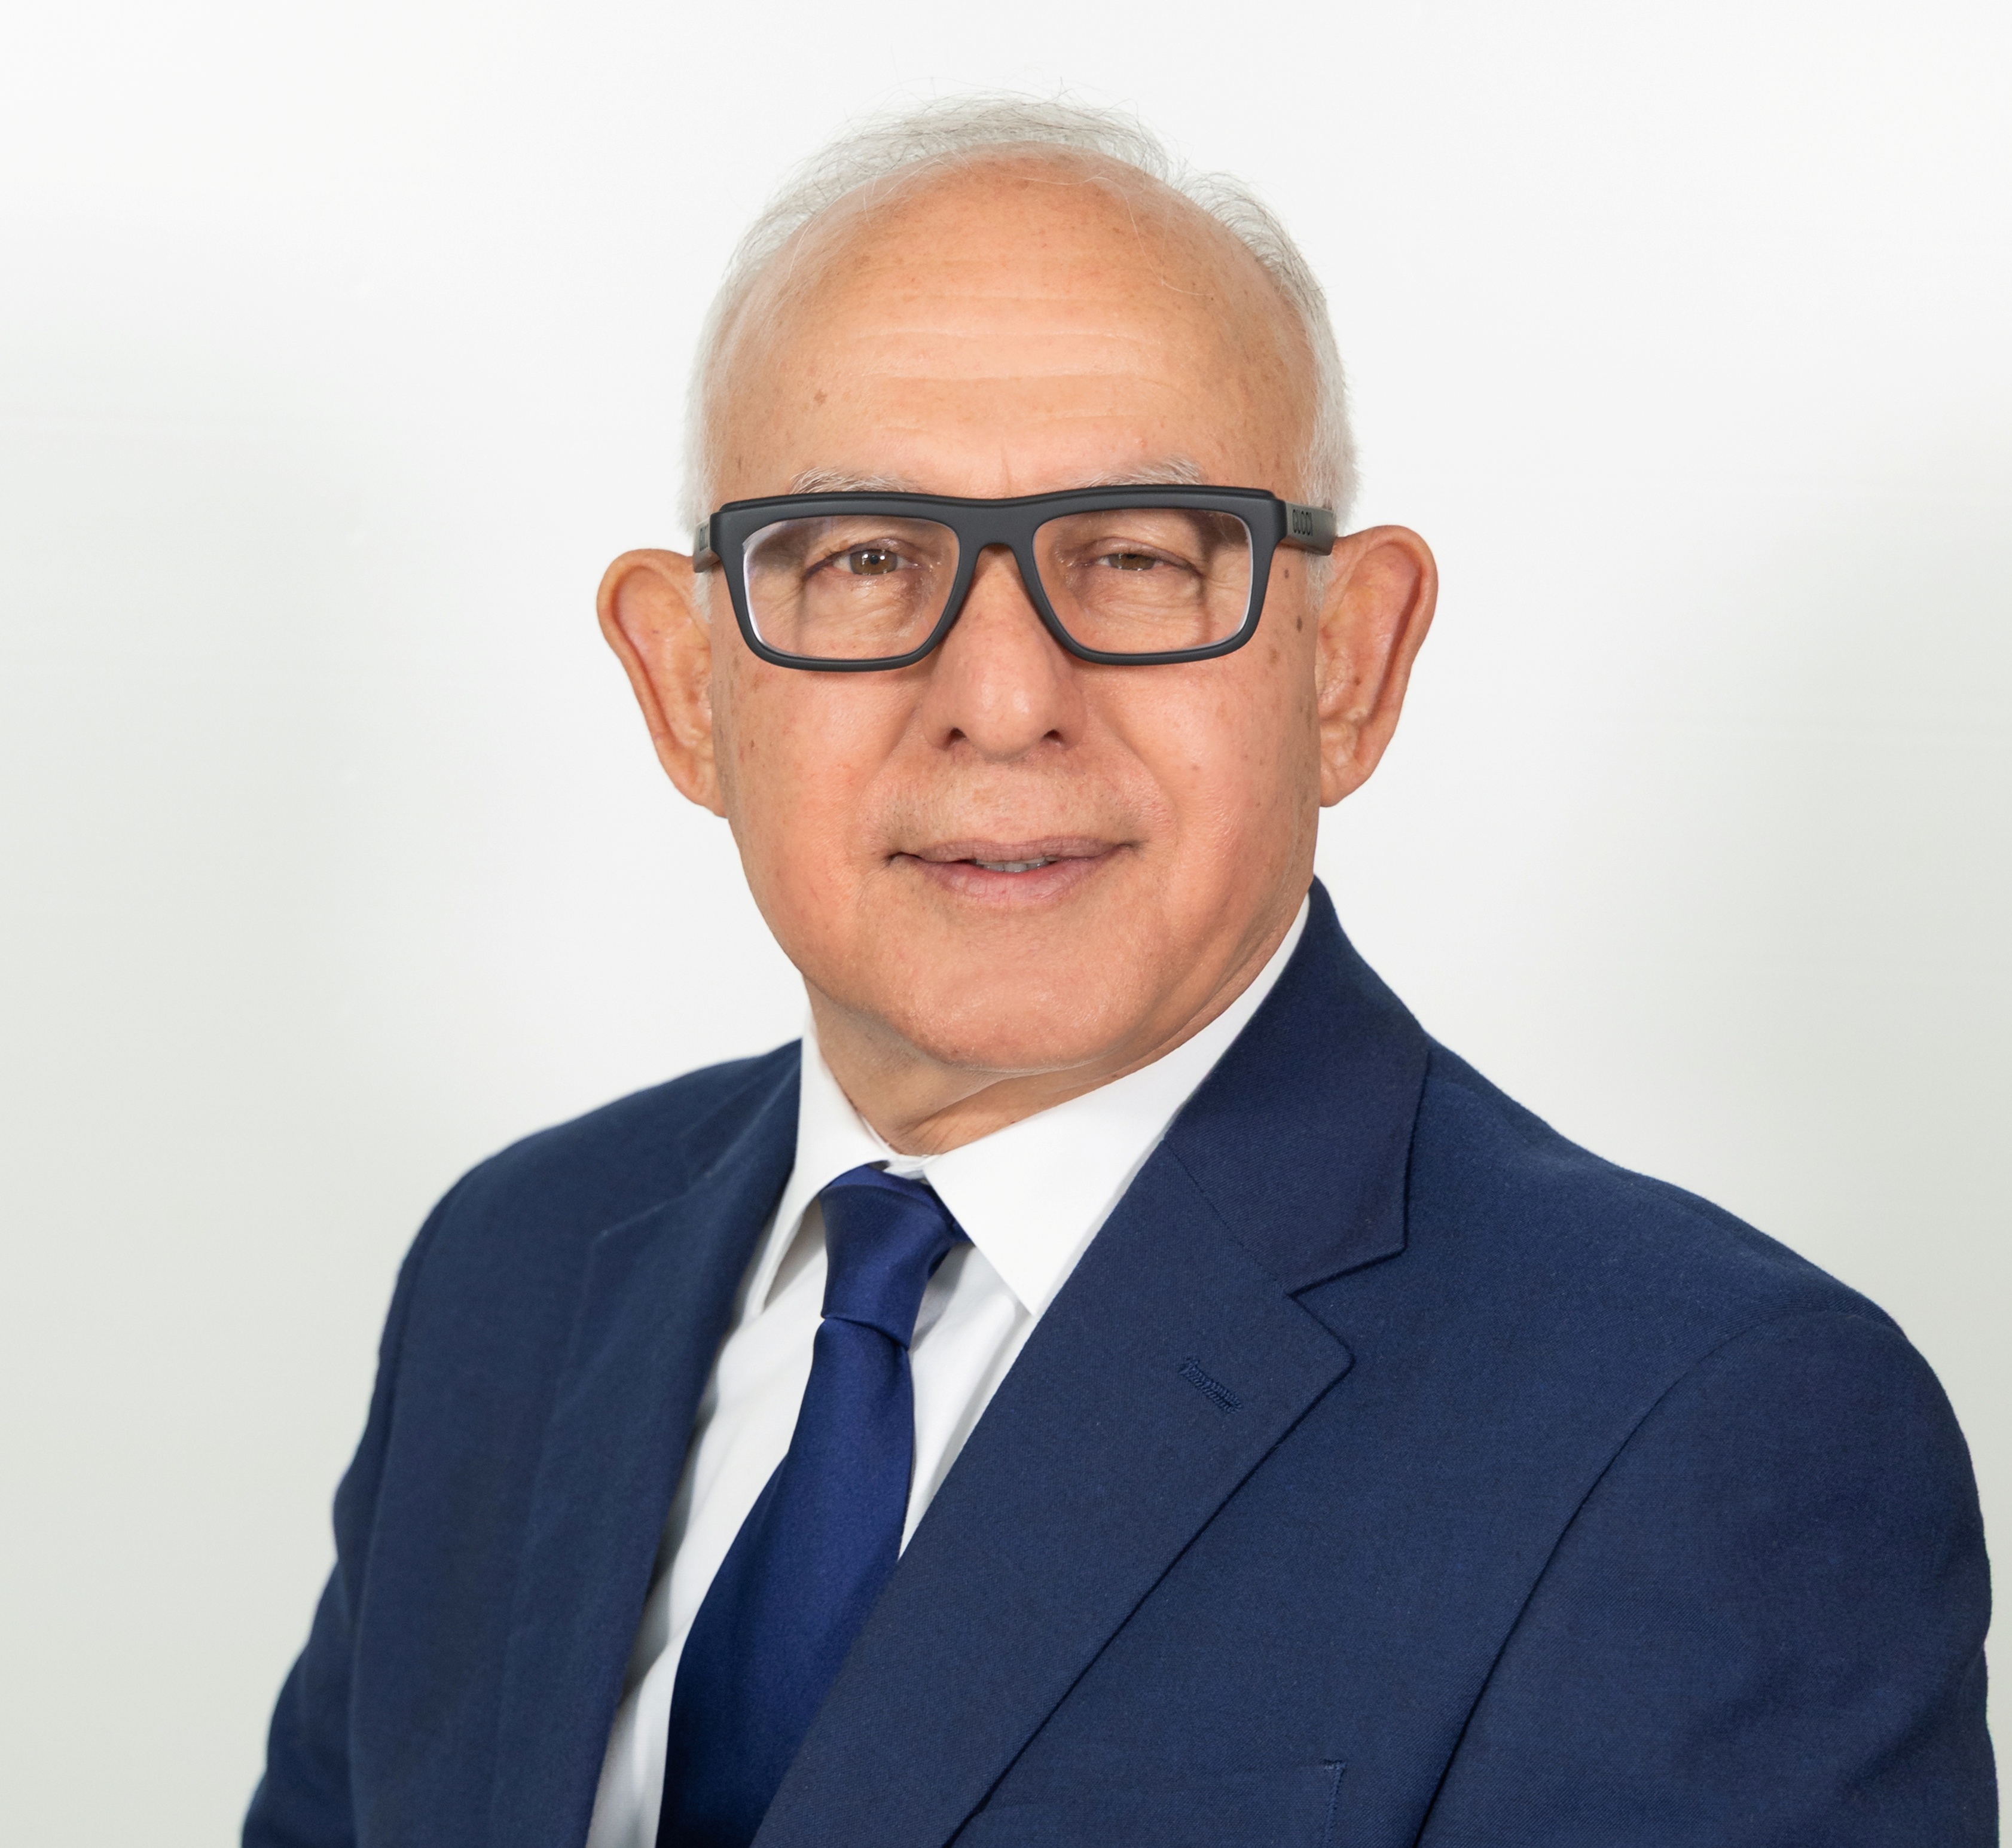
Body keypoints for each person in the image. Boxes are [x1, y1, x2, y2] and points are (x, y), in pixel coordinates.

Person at [244, 97, 1995, 1848]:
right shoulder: (515, 1272)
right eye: (866, 559)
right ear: (688, 686)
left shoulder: (1701, 1426)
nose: (1005, 700)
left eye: (1142, 557)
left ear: (1349, 664)